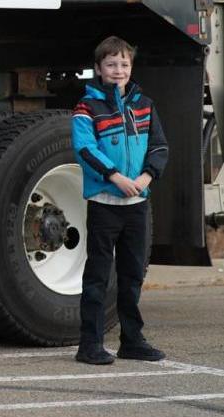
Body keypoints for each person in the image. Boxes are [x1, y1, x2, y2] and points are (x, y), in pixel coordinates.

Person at [72, 36, 169, 365]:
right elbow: (85, 149)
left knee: (132, 275)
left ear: (131, 68)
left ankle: (132, 340)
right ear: (98, 69)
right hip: (104, 205)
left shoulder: (145, 104)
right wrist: (116, 177)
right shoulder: (87, 108)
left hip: (137, 206)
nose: (118, 70)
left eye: (124, 64)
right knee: (97, 276)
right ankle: (90, 344)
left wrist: (145, 178)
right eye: (111, 64)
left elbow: (159, 147)